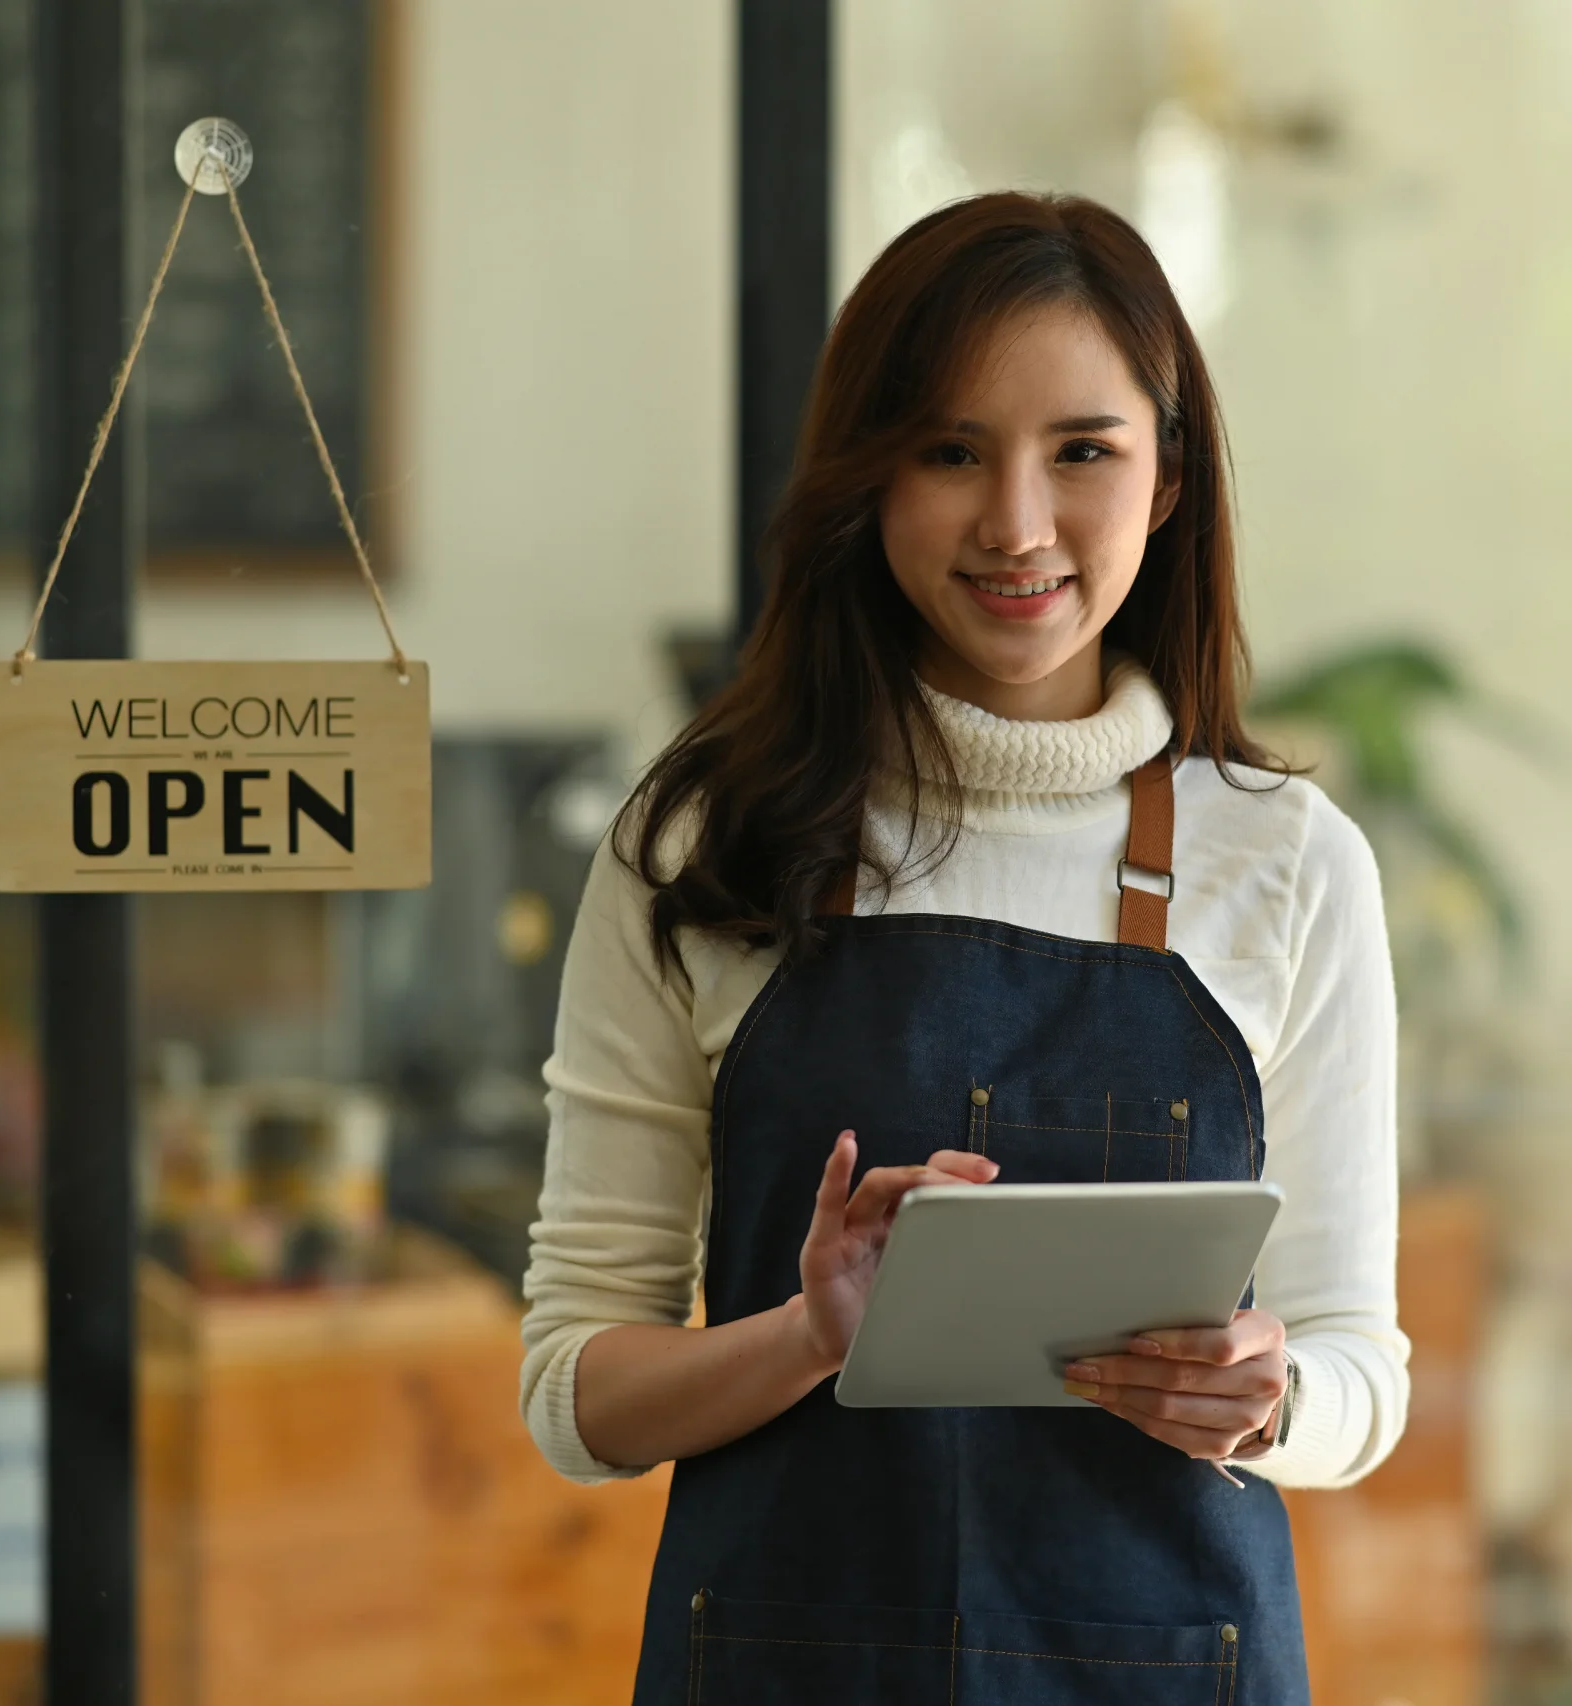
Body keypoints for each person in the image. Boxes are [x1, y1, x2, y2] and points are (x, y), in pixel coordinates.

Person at [521, 191, 1407, 1704]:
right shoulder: (700, 847)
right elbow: (572, 1391)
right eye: (948, 452)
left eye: (1082, 451)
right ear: (865, 484)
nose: (1016, 524)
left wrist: (1264, 1400)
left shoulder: (1290, 865)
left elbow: (1358, 1372)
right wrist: (810, 1334)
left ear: (1170, 477)